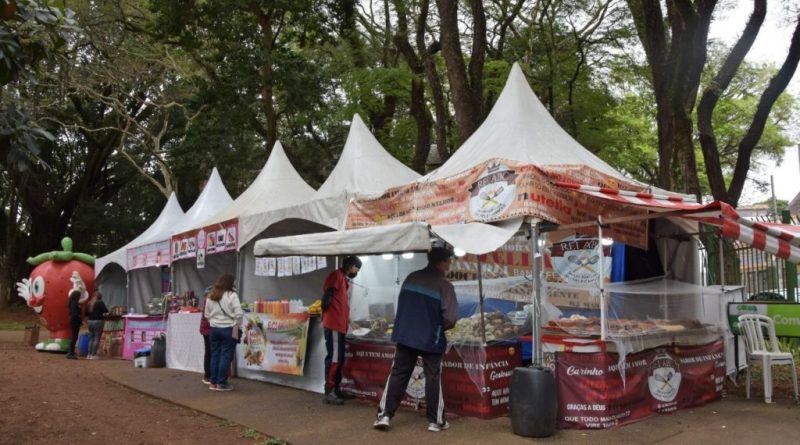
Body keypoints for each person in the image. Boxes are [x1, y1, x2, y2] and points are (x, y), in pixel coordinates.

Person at [373, 247, 458, 432]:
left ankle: (385, 415)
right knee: (433, 376)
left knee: (398, 374)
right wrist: (436, 325)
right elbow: (450, 318)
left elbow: (402, 305)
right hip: (431, 338)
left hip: (406, 335)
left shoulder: (411, 277)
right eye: (449, 260)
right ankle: (435, 421)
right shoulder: (445, 286)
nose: (450, 264)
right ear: (443, 262)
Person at [321, 255, 362, 405]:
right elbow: (327, 298)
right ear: (352, 266)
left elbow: (341, 304)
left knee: (340, 359)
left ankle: (337, 389)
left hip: (340, 325)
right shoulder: (336, 276)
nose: (356, 272)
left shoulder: (343, 279)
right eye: (357, 269)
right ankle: (329, 391)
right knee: (334, 359)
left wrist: (349, 321)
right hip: (334, 325)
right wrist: (329, 314)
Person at [203, 274, 243, 391]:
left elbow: (206, 314)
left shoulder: (211, 295)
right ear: (230, 283)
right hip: (228, 329)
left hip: (214, 329)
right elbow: (239, 314)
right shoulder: (232, 295)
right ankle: (221, 383)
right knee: (225, 356)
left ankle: (213, 382)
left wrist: (213, 322)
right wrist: (236, 324)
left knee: (215, 355)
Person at [85, 291, 108, 359]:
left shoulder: (89, 303)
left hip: (90, 322)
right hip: (98, 321)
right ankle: (93, 355)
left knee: (91, 338)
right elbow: (106, 311)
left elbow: (86, 314)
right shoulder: (100, 302)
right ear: (100, 297)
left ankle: (88, 355)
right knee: (96, 338)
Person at [199, 287, 212, 385]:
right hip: (208, 330)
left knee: (209, 352)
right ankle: (207, 375)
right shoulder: (208, 301)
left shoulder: (207, 301)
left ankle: (208, 375)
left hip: (206, 330)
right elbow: (208, 317)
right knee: (209, 352)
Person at [66, 290, 83, 359]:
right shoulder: (74, 303)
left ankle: (71, 352)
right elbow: (75, 314)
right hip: (75, 321)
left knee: (74, 336)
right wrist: (80, 320)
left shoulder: (73, 303)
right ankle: (71, 353)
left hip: (74, 321)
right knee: (74, 337)